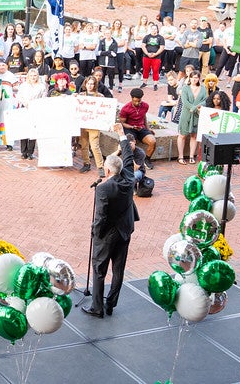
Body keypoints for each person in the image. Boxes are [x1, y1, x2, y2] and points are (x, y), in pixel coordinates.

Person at [81, 123, 138, 319]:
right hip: (125, 230)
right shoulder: (129, 177)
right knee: (118, 269)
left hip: (107, 234)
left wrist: (96, 232)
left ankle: (97, 307)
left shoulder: (103, 189)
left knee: (99, 268)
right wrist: (122, 135)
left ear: (107, 170)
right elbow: (129, 157)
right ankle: (111, 303)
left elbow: (101, 216)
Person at [118, 88, 157, 164]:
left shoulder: (145, 106)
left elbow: (144, 117)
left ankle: (147, 159)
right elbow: (122, 123)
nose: (137, 103)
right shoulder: (125, 109)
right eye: (135, 101)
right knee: (130, 144)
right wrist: (132, 127)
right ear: (132, 98)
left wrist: (148, 128)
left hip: (141, 128)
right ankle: (130, 161)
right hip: (129, 128)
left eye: (139, 101)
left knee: (153, 141)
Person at [176, 70, 207, 164]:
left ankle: (191, 156)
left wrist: (195, 108)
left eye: (196, 78)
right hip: (186, 113)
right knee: (182, 135)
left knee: (194, 135)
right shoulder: (185, 88)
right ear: (190, 78)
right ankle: (180, 156)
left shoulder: (203, 88)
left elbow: (205, 100)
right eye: (193, 78)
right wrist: (194, 108)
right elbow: (184, 101)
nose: (195, 79)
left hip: (197, 114)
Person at [14, 69, 44, 160]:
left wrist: (36, 103)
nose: (33, 77)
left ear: (38, 76)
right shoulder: (23, 85)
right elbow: (19, 96)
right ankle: (23, 151)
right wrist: (25, 102)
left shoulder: (41, 86)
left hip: (36, 109)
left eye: (35, 75)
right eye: (31, 75)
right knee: (24, 130)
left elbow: (43, 97)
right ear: (28, 76)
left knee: (33, 131)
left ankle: (30, 152)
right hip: (25, 107)